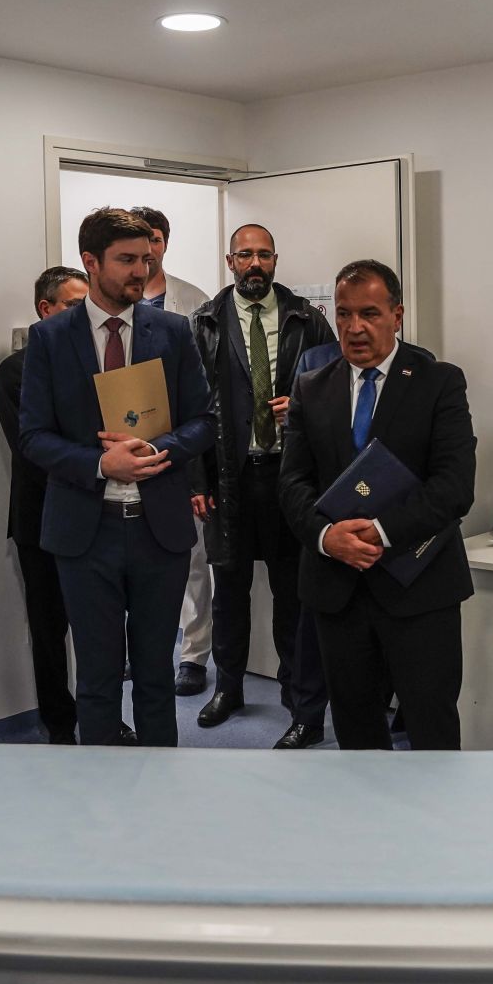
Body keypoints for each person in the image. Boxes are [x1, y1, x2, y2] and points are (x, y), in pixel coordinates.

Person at [19, 207, 215, 746]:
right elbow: (33, 436)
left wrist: (156, 448)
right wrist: (101, 463)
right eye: (126, 260)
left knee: (155, 677)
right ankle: (100, 791)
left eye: (146, 259)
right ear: (91, 261)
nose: (140, 271)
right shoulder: (50, 339)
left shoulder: (173, 332)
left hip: (159, 529)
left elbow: (205, 420)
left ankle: (158, 786)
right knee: (98, 680)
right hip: (86, 532)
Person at [278, 259, 476, 751]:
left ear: (397, 315)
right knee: (356, 731)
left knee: (431, 728)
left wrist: (381, 532)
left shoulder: (438, 382)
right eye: (344, 314)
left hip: (418, 587)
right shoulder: (311, 387)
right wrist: (327, 537)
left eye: (369, 313)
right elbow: (293, 483)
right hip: (337, 589)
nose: (354, 327)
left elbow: (454, 486)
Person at [191, 224, 335, 747]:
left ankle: (299, 700)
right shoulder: (204, 322)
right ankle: (227, 688)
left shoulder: (307, 319)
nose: (255, 263)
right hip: (228, 477)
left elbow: (339, 386)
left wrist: (303, 406)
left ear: (276, 260)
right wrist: (196, 478)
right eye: (245, 255)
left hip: (289, 476)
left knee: (293, 594)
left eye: (264, 255)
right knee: (228, 593)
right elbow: (190, 407)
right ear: (230, 261)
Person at [0, 267, 138, 745]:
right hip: (43, 520)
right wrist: (100, 467)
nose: (85, 314)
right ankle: (59, 726)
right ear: (46, 309)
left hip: (101, 514)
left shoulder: (100, 361)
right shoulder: (16, 370)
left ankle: (106, 717)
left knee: (103, 629)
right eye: (74, 305)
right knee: (50, 629)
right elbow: (34, 450)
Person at [130, 205, 215, 695]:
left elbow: (205, 391)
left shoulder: (194, 302)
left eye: (155, 239)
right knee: (132, 555)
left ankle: (193, 655)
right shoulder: (110, 307)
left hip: (179, 442)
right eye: (138, 242)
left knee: (192, 557)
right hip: (125, 446)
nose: (148, 250)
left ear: (164, 243)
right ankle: (140, 650)